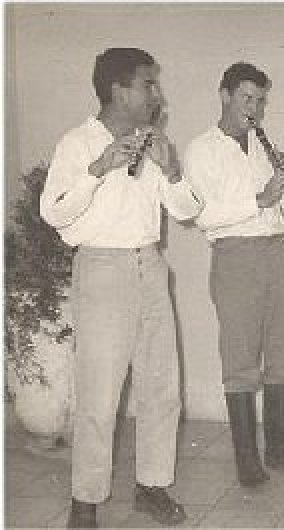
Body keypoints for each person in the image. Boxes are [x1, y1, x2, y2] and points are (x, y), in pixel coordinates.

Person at [40, 48, 203, 528]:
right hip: (101, 269)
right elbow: (54, 212)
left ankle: (152, 487)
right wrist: (98, 169)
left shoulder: (155, 142)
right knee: (98, 394)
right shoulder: (77, 142)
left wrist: (171, 169)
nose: (157, 94)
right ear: (119, 90)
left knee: (161, 388)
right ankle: (85, 501)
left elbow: (188, 210)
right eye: (148, 84)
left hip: (150, 264)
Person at [184, 62, 284, 488]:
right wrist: (260, 197)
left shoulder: (262, 146)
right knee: (240, 358)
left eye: (260, 100)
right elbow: (202, 215)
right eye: (246, 98)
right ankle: (246, 459)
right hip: (234, 255)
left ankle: (278, 449)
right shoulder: (201, 149)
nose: (254, 108)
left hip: (275, 253)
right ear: (224, 95)